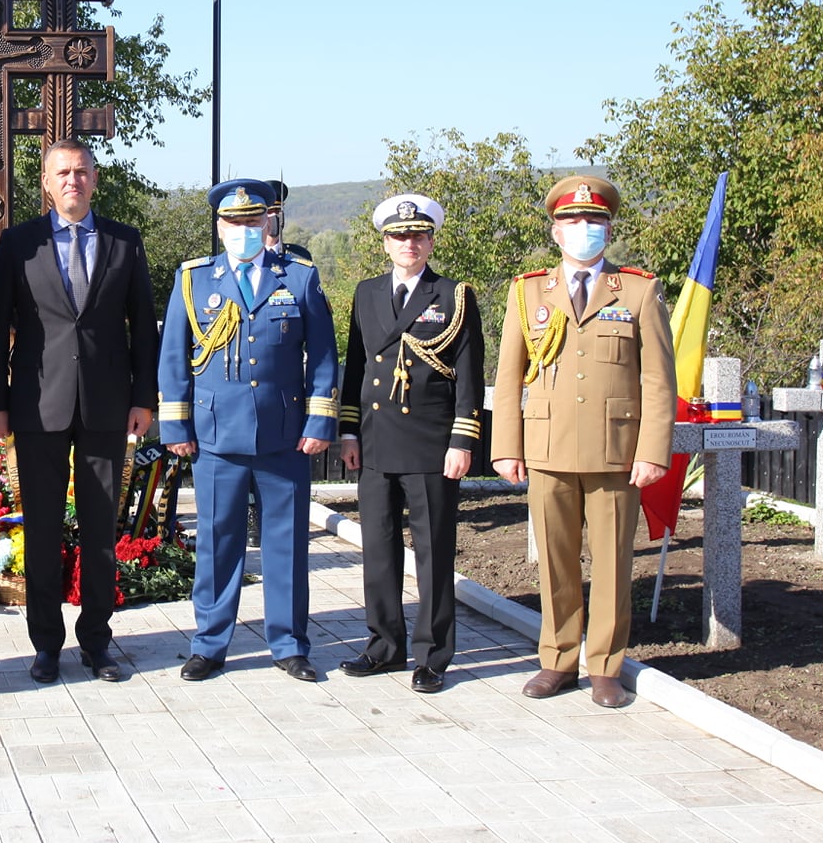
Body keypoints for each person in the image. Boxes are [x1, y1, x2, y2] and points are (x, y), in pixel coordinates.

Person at [489, 174, 674, 710]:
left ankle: (606, 666)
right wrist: (507, 445)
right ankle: (557, 659)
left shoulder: (638, 290)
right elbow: (509, 376)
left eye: (593, 220)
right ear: (555, 230)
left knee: (614, 563)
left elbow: (659, 379)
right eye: (572, 220)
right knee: (556, 560)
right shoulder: (528, 292)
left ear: (609, 227)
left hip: (617, 453)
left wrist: (652, 451)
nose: (583, 229)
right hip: (546, 447)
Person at [0, 139, 159, 684]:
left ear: (95, 179)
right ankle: (45, 644)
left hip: (107, 405)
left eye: (81, 171)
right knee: (41, 528)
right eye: (62, 172)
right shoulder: (18, 244)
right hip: (38, 406)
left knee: (101, 530)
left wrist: (143, 398)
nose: (72, 181)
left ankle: (98, 642)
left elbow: (143, 328)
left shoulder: (124, 243)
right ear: (45, 182)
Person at [157, 179, 338, 683]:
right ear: (220, 226)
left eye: (252, 222)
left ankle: (289, 644)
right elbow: (173, 356)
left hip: (284, 436)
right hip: (215, 438)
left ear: (267, 224)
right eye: (233, 223)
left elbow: (323, 356)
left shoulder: (298, 277)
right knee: (217, 544)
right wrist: (175, 424)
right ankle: (209, 645)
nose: (243, 230)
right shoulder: (194, 279)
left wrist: (320, 419)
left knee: (286, 544)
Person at [336, 193, 484, 693]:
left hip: (430, 444)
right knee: (378, 549)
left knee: (433, 553)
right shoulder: (367, 292)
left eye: (418, 236)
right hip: (376, 443)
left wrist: (462, 440)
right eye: (400, 236)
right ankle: (384, 646)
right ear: (385, 242)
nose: (409, 244)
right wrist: (349, 430)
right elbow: (355, 366)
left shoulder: (454, 295)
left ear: (431, 241)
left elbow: (469, 375)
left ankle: (433, 654)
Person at [263, 179, 311, 261]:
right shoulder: (249, 256)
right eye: (269, 212)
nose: (274, 215)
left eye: (278, 211)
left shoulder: (300, 256)